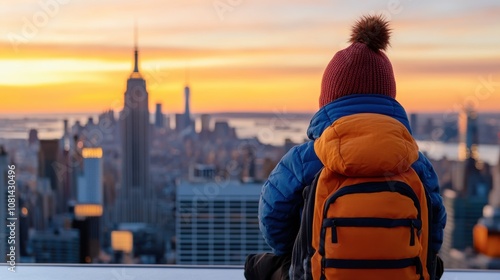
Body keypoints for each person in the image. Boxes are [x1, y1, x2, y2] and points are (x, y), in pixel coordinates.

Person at [245, 14, 447, 280]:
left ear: (328, 100)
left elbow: (272, 215)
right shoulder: (413, 160)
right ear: (389, 98)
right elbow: (434, 228)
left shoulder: (307, 157)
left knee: (257, 267)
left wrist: (299, 247)